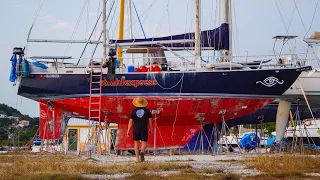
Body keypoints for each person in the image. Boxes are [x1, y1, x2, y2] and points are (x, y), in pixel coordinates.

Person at [127, 96, 152, 162]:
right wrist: (151, 129)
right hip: (144, 128)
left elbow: (130, 121)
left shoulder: (133, 111)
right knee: (144, 143)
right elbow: (150, 121)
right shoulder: (147, 110)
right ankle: (142, 151)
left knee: (136, 144)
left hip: (136, 129)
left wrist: (128, 130)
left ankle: (137, 158)